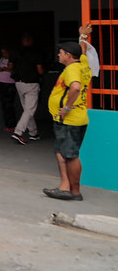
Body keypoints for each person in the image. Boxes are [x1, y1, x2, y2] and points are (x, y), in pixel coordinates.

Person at [43, 23, 95, 201]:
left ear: (68, 55)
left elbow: (76, 87)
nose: (58, 55)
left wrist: (66, 108)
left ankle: (75, 192)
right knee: (61, 152)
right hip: (74, 119)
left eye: (61, 52)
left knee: (71, 155)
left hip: (69, 120)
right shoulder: (82, 63)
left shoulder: (72, 69)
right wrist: (83, 37)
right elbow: (82, 50)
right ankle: (65, 187)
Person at [10, 33, 44, 145]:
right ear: (30, 40)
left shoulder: (15, 52)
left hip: (18, 83)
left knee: (27, 110)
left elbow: (10, 66)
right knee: (29, 110)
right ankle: (18, 132)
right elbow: (40, 70)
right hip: (31, 84)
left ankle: (33, 133)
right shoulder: (36, 52)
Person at [0, 46, 18, 131]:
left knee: (9, 104)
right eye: (2, 53)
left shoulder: (13, 59)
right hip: (1, 82)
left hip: (10, 83)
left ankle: (12, 125)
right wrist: (1, 69)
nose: (3, 54)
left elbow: (14, 70)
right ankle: (8, 124)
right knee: (4, 103)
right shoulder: (2, 59)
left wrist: (6, 69)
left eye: (5, 53)